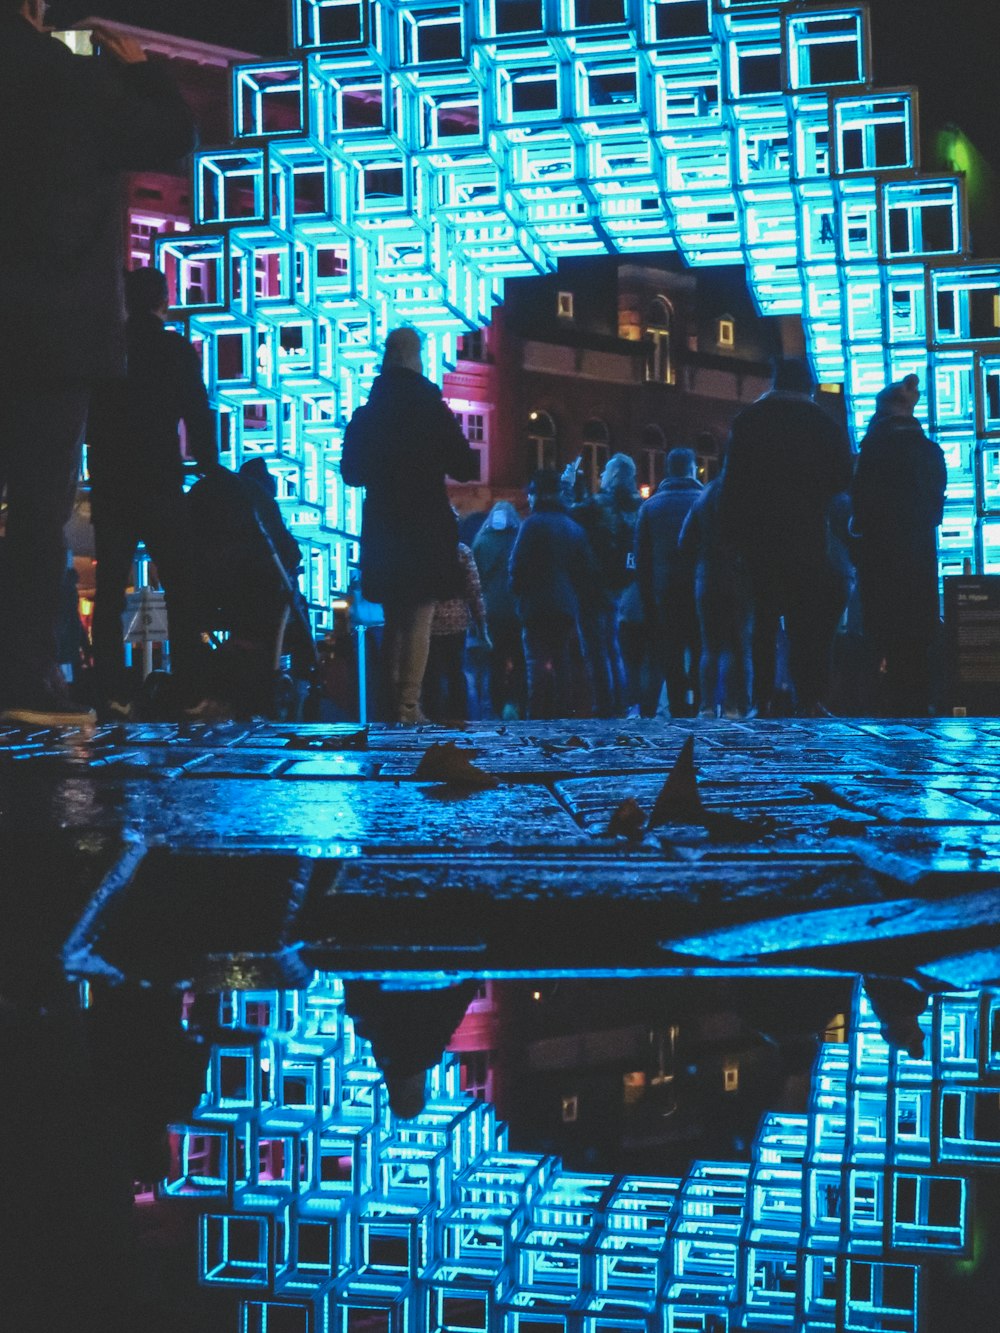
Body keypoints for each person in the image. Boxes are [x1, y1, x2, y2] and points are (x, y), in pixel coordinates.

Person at [0, 2, 196, 726]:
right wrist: (146, 75)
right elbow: (172, 136)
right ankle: (22, 679)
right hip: (53, 330)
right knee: (37, 513)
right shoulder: (72, 81)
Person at [87, 266, 219, 714]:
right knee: (182, 584)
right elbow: (197, 412)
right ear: (164, 300)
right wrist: (209, 465)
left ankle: (110, 687)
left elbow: (89, 415)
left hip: (111, 480)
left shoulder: (108, 347)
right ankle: (189, 688)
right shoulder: (175, 349)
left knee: (109, 589)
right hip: (161, 479)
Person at [340, 326, 479, 724]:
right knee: (419, 616)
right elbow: (465, 466)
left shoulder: (369, 413)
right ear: (417, 357)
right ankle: (407, 706)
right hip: (425, 525)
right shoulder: (431, 409)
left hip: (384, 525)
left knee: (396, 617)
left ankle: (392, 703)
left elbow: (351, 472)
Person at [719, 357, 853, 715]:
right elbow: (843, 479)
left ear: (774, 381)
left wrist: (731, 539)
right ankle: (807, 697)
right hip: (807, 536)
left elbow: (731, 486)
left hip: (758, 537)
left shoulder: (749, 421)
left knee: (762, 620)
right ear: (808, 386)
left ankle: (762, 697)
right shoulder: (825, 425)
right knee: (805, 621)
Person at [851, 374, 946, 715]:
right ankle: (918, 701)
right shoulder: (929, 450)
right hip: (918, 555)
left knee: (882, 631)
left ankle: (886, 701)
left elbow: (859, 507)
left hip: (879, 557)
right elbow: (936, 508)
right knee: (916, 635)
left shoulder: (872, 450)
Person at [508, 469, 595, 720]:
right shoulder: (573, 528)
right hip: (565, 605)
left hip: (535, 605)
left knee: (536, 664)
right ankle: (563, 714)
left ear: (537, 494)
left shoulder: (531, 525)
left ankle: (536, 716)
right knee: (562, 662)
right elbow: (585, 571)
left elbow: (516, 566)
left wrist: (518, 595)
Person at [571, 453, 642, 717]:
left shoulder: (601, 504)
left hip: (593, 582)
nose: (600, 476)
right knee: (613, 646)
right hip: (620, 582)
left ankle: (604, 703)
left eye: (604, 472)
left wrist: (569, 485)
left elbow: (571, 515)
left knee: (596, 648)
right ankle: (621, 701)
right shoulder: (635, 505)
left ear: (613, 475)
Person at [635, 447, 703, 717]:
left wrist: (647, 598)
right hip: (698, 589)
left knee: (670, 654)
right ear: (691, 468)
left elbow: (642, 560)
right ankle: (698, 704)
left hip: (664, 592)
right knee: (699, 650)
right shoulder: (703, 501)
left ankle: (676, 707)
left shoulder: (650, 506)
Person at [678, 476, 753, 717]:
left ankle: (707, 707)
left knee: (709, 647)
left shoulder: (705, 496)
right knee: (736, 644)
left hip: (707, 577)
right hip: (739, 576)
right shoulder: (745, 494)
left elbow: (684, 541)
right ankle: (733, 706)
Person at [423, 541, 489, 723]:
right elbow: (474, 588)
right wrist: (481, 621)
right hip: (457, 620)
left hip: (429, 620)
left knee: (431, 674)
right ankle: (458, 716)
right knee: (455, 671)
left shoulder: (426, 548)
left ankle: (433, 716)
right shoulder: (462, 551)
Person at [471, 501, 525, 719]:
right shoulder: (519, 539)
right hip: (516, 609)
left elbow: (475, 577)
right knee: (520, 658)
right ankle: (516, 701)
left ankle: (496, 704)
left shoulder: (481, 540)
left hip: (491, 610)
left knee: (495, 659)